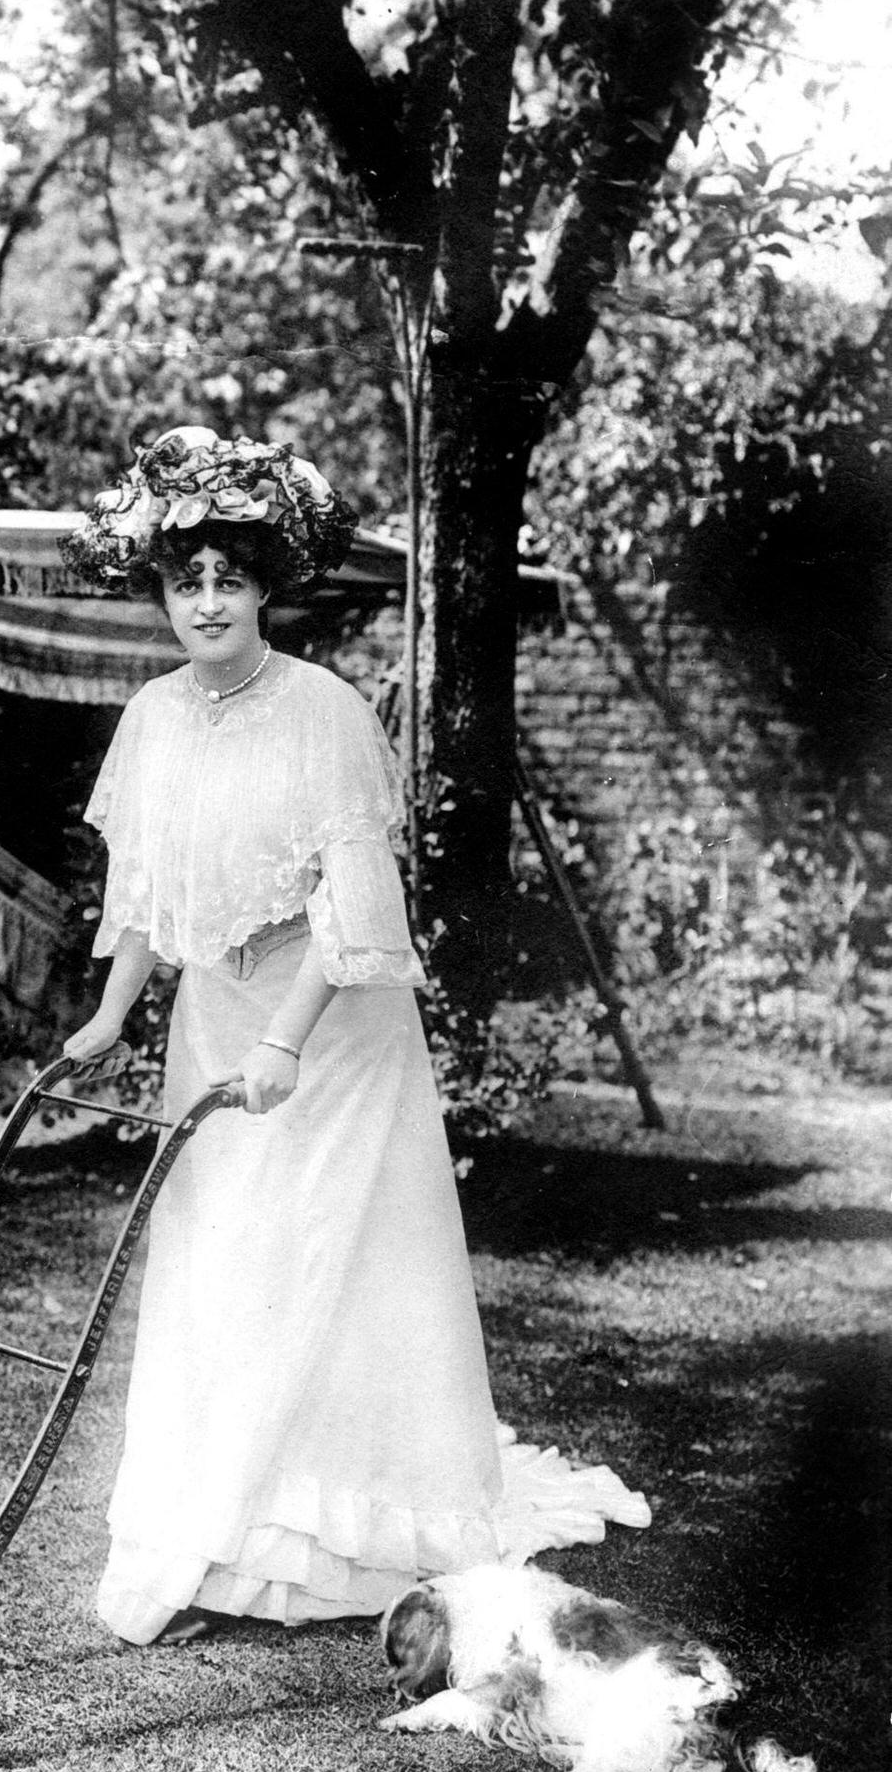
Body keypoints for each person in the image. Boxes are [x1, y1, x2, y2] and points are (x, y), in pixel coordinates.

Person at [61, 427, 648, 1647]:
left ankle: (326, 1530)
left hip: (327, 1029)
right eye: (186, 580)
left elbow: (352, 914)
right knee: (218, 1257)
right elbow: (145, 899)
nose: (207, 601)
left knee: (314, 1256)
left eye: (228, 576)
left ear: (266, 586)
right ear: (160, 593)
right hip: (213, 1021)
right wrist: (112, 1014)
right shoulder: (150, 721)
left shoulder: (321, 712)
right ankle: (215, 1524)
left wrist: (281, 1042)